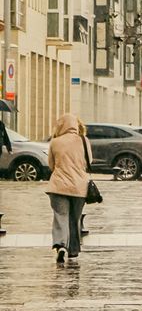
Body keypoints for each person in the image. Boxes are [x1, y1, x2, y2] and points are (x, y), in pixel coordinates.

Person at [45, 113, 90, 264]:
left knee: (60, 216)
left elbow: (51, 164)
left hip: (58, 186)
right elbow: (89, 161)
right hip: (79, 186)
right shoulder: (83, 140)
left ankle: (61, 245)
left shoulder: (55, 142)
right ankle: (73, 251)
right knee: (74, 219)